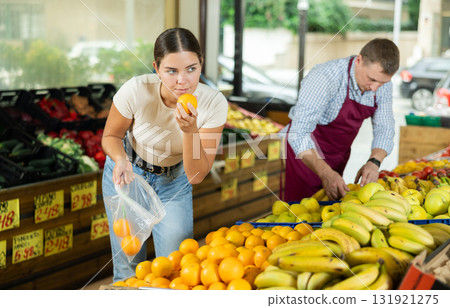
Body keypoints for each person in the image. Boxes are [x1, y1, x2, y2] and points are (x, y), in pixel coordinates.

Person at [101, 27, 228, 282]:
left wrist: (190, 130)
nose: (183, 81)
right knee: (128, 267)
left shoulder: (213, 103)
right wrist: (122, 160)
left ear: (201, 64)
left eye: (191, 68)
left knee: (176, 269)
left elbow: (196, 175)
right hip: (129, 175)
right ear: (156, 68)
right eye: (171, 71)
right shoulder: (136, 90)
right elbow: (111, 137)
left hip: (176, 182)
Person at [281, 38, 399, 202]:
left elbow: (385, 128)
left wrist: (374, 162)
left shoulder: (381, 83)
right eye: (371, 79)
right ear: (359, 60)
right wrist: (325, 172)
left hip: (338, 158)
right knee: (301, 214)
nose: (375, 88)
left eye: (382, 83)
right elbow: (298, 134)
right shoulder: (324, 77)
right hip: (305, 159)